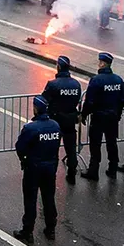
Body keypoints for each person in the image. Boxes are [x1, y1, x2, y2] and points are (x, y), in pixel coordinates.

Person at [12, 96, 61, 244]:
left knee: (31, 200)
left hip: (33, 168)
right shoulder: (55, 126)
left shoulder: (31, 128)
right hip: (50, 167)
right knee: (48, 198)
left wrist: (25, 159)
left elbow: (20, 147)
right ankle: (51, 228)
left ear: (36, 108)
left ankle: (28, 231)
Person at [80, 52, 124, 180]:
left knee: (95, 145)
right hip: (112, 117)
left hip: (99, 117)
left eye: (99, 62)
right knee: (112, 143)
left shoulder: (96, 80)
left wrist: (83, 115)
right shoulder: (118, 80)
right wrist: (118, 115)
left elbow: (90, 101)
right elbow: (121, 101)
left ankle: (93, 171)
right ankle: (113, 168)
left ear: (103, 63)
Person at [41, 56, 82, 184]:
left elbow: (44, 100)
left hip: (55, 121)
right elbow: (77, 100)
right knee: (71, 149)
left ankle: (50, 176)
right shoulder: (76, 84)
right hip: (70, 120)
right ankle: (71, 174)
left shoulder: (53, 84)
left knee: (52, 150)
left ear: (58, 67)